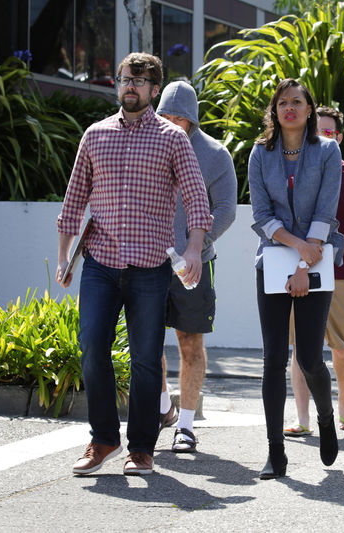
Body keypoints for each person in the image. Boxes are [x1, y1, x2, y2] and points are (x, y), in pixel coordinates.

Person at [56, 53, 212, 476]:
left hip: (149, 268)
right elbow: (73, 202)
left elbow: (198, 199)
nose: (131, 87)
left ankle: (141, 448)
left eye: (140, 82)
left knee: (145, 359)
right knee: (92, 349)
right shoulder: (95, 135)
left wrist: (195, 249)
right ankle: (103, 438)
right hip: (100, 264)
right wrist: (63, 259)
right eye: (126, 79)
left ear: (154, 90)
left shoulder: (172, 138)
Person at [248, 78, 344, 479]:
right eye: (283, 102)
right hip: (272, 261)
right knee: (273, 359)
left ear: (309, 109)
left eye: (297, 102)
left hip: (317, 258)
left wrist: (306, 263)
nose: (290, 108)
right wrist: (294, 249)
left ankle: (324, 417)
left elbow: (327, 208)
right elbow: (261, 215)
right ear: (275, 110)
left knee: (308, 357)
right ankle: (276, 452)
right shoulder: (259, 153)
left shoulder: (327, 150)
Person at [154, 80, 238, 453]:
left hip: (196, 264)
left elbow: (226, 210)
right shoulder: (146, 146)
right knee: (146, 342)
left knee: (190, 342)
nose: (172, 123)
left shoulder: (215, 154)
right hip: (147, 261)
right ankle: (162, 407)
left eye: (179, 117)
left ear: (192, 119)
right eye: (165, 115)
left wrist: (195, 246)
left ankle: (185, 426)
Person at [284, 106, 344, 437]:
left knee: (340, 348)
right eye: (317, 132)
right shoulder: (294, 172)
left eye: (330, 132)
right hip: (298, 273)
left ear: (338, 136)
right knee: (299, 349)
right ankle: (304, 418)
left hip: (340, 275)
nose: (324, 138)